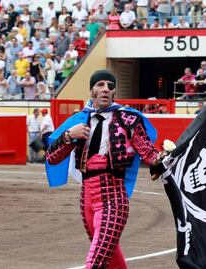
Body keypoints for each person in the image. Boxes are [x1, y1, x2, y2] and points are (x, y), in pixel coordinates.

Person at [46, 70, 165, 269]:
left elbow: (148, 152)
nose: (105, 89)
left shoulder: (129, 120)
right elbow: (52, 157)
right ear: (91, 89)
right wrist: (68, 136)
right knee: (113, 260)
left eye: (110, 86)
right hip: (87, 198)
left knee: (96, 262)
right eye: (100, 85)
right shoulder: (79, 121)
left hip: (113, 197)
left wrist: (160, 160)